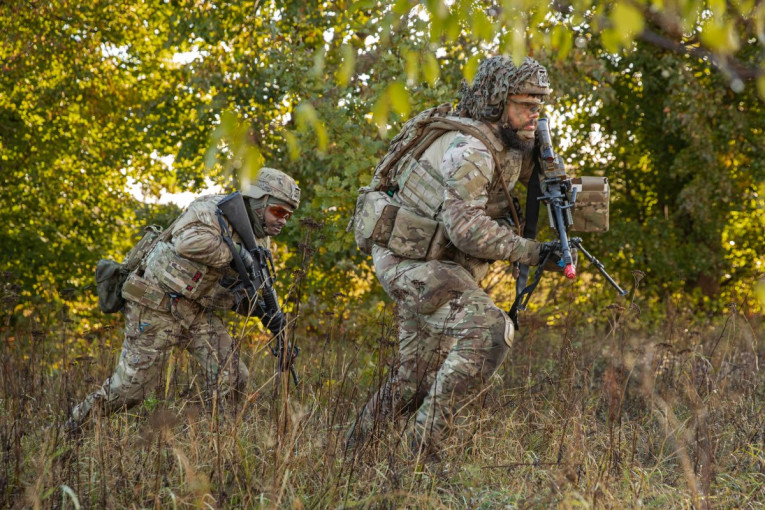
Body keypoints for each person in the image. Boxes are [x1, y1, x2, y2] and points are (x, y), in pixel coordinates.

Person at [348, 56, 566, 457]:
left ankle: (351, 453)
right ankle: (422, 450)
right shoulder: (471, 150)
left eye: (539, 105)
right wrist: (532, 252)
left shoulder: (514, 143)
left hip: (434, 262)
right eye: (524, 104)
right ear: (497, 102)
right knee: (488, 330)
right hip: (410, 262)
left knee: (413, 380)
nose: (534, 113)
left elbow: (547, 190)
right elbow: (465, 231)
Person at [67, 167, 300, 430]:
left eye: (288, 215)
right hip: (157, 305)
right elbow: (188, 243)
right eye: (278, 211)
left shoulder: (260, 242)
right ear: (259, 201)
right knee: (130, 391)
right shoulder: (212, 210)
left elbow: (252, 286)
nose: (283, 221)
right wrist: (238, 254)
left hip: (197, 311)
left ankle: (218, 442)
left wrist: (270, 318)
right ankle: (73, 426)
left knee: (233, 377)